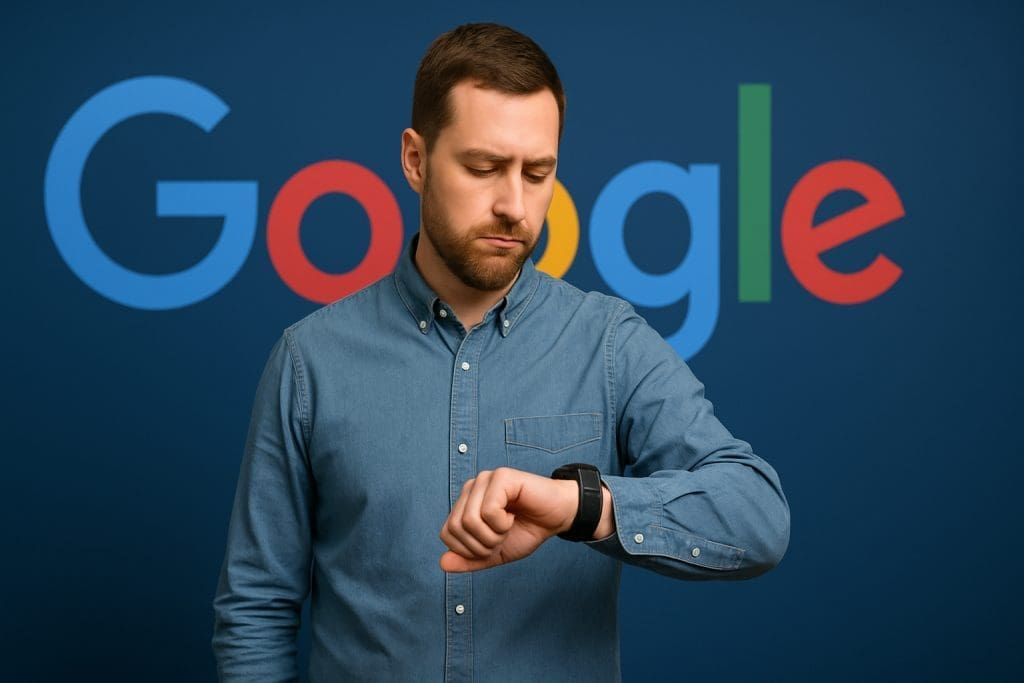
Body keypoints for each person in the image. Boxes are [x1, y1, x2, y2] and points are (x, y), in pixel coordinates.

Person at [212, 22, 790, 682]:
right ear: (414, 159)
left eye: (538, 173)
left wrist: (581, 506)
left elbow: (759, 517)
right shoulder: (308, 362)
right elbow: (256, 609)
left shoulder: (608, 343)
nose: (515, 205)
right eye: (483, 168)